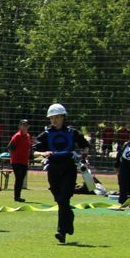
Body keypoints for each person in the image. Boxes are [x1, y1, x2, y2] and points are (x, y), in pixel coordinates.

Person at [34, 103, 91, 244]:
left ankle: (61, 232)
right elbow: (33, 151)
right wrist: (42, 153)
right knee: (60, 200)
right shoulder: (46, 134)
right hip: (53, 169)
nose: (54, 120)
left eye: (57, 117)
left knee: (64, 199)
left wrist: (83, 156)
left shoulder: (72, 132)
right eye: (52, 118)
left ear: (63, 117)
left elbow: (85, 146)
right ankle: (69, 218)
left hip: (69, 169)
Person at [7, 119, 32, 202]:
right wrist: (14, 156)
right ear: (19, 126)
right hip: (16, 161)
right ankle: (16, 197)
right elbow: (10, 147)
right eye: (22, 125)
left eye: (26, 125)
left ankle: (18, 196)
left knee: (21, 179)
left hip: (24, 161)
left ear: (28, 127)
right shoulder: (17, 136)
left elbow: (29, 147)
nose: (24, 127)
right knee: (19, 178)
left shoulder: (28, 136)